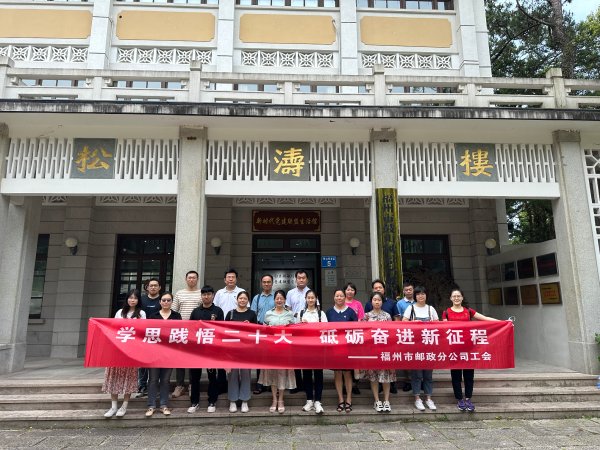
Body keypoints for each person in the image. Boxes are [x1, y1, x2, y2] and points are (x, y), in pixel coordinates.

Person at [442, 288, 500, 412]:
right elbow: (444, 328)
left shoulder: (468, 311)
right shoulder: (446, 312)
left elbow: (484, 318)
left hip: (469, 348)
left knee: (469, 375)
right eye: (454, 296)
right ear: (451, 298)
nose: (456, 298)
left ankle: (468, 398)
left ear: (462, 298)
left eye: (458, 296)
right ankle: (459, 399)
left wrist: (502, 322)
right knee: (456, 376)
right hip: (454, 349)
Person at [102, 289, 146, 418]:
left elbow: (142, 331)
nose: (132, 300)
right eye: (130, 298)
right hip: (117, 349)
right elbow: (114, 329)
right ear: (127, 299)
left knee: (129, 378)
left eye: (135, 298)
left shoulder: (141, 313)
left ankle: (124, 406)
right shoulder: (119, 312)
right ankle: (113, 406)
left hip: (132, 351)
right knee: (114, 377)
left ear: (138, 300)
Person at [187, 285, 224, 414]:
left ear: (213, 296)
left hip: (211, 349)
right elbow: (191, 329)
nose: (206, 296)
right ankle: (194, 402)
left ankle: (212, 401)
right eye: (204, 294)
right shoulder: (196, 311)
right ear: (201, 296)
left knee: (212, 376)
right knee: (195, 377)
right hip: (197, 349)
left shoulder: (218, 311)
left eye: (208, 294)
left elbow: (221, 330)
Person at [259, 289, 296, 413]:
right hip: (272, 350)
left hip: (285, 350)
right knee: (273, 374)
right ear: (274, 300)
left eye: (281, 298)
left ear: (285, 300)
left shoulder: (290, 314)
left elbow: (295, 331)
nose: (279, 300)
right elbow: (264, 331)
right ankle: (274, 399)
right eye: (277, 298)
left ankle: (281, 400)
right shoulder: (268, 314)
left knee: (282, 374)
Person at [403, 286, 439, 411]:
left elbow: (438, 325)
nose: (421, 296)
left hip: (429, 346)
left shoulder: (430, 309)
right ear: (415, 296)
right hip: (415, 346)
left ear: (426, 295)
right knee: (416, 374)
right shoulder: (411, 308)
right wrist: (413, 323)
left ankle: (428, 398)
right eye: (418, 294)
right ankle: (417, 398)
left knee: (428, 374)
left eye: (423, 294)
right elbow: (403, 322)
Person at [145, 292, 181, 417]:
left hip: (169, 354)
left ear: (172, 302)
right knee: (153, 379)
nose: (166, 302)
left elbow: (180, 334)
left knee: (165, 380)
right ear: (160, 302)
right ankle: (151, 406)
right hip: (154, 353)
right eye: (164, 300)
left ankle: (164, 405)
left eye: (168, 300)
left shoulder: (177, 316)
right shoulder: (153, 316)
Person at [362, 291, 396, 413]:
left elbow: (392, 334)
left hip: (385, 350)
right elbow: (363, 334)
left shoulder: (387, 316)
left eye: (379, 300)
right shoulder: (366, 316)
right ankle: (377, 401)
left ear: (382, 302)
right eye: (375, 300)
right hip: (371, 351)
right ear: (371, 302)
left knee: (386, 376)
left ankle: (386, 401)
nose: (377, 302)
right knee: (374, 377)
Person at [326, 288, 358, 413]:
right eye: (337, 296)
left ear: (345, 297)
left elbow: (356, 330)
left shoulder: (351, 312)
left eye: (341, 296)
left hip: (348, 348)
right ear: (333, 298)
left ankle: (349, 398)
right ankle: (340, 399)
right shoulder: (329, 312)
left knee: (347, 373)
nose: (339, 298)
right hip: (334, 348)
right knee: (337, 373)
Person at [225, 291, 257, 413]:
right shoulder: (230, 314)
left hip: (246, 349)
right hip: (232, 349)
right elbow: (224, 331)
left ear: (248, 301)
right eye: (240, 298)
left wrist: (250, 326)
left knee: (245, 374)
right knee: (232, 374)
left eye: (245, 298)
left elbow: (256, 331)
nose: (242, 300)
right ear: (237, 300)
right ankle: (233, 400)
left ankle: (244, 400)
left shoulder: (252, 314)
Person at [171, 270, 202, 398]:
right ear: (186, 279)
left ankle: (192, 384)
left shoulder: (201, 294)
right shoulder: (179, 293)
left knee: (194, 359)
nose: (191, 280)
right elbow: (173, 311)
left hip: (196, 331)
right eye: (189, 278)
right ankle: (180, 385)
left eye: (194, 278)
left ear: (197, 279)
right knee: (180, 359)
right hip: (181, 331)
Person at [365, 279, 398, 394]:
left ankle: (390, 389)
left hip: (386, 345)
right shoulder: (367, 308)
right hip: (372, 346)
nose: (378, 289)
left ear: (384, 289)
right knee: (374, 371)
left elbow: (396, 322)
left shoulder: (392, 304)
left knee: (386, 370)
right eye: (376, 288)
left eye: (380, 287)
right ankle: (377, 395)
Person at [297, 290, 327, 415]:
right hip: (305, 349)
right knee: (307, 375)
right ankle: (309, 400)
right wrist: (301, 325)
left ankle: (318, 401)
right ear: (305, 299)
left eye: (312, 298)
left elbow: (326, 330)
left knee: (318, 374)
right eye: (308, 298)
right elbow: (296, 331)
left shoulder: (321, 314)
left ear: (316, 299)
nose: (310, 300)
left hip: (318, 349)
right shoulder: (301, 313)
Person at [286, 270, 310, 393]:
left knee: (305, 357)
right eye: (299, 278)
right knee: (294, 357)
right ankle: (296, 384)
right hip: (294, 328)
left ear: (307, 279)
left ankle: (306, 385)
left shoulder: (310, 293)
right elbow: (288, 309)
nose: (301, 280)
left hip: (307, 330)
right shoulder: (290, 293)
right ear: (295, 279)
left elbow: (316, 308)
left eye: (303, 278)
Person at [250, 274, 275, 394]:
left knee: (272, 358)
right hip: (260, 329)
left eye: (268, 282)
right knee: (260, 358)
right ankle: (260, 384)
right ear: (261, 283)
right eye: (264, 282)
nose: (266, 284)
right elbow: (253, 314)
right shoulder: (257, 298)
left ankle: (271, 384)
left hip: (273, 330)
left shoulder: (276, 296)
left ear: (272, 283)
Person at [137, 278, 162, 398]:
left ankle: (155, 386)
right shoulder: (141, 300)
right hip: (143, 334)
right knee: (142, 362)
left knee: (156, 362)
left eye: (155, 285)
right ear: (147, 287)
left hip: (158, 335)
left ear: (159, 287)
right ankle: (142, 385)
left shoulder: (162, 300)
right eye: (151, 285)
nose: (153, 287)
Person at [394, 281, 415, 392]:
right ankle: (408, 381)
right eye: (406, 290)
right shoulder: (399, 303)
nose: (408, 291)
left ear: (413, 290)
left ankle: (418, 380)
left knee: (418, 357)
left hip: (418, 334)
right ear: (403, 291)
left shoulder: (418, 301)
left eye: (410, 289)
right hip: (405, 333)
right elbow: (398, 319)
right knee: (407, 358)